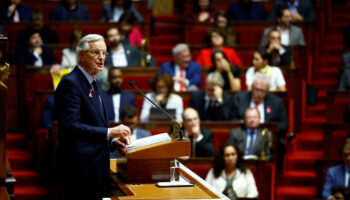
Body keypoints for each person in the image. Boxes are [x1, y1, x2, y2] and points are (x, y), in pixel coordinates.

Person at [54, 34, 132, 199]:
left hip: (96, 168)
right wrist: (110, 133)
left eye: (104, 53)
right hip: (80, 171)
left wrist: (111, 142)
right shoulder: (71, 83)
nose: (101, 58)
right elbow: (70, 126)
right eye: (96, 52)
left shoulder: (95, 83)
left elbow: (92, 123)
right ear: (82, 55)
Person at [232, 75, 289, 172]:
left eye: (262, 91)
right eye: (256, 89)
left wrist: (269, 130)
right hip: (243, 134)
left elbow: (285, 124)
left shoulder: (276, 102)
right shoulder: (240, 98)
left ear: (267, 91)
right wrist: (243, 123)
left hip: (267, 137)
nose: (259, 93)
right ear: (252, 88)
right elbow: (230, 119)